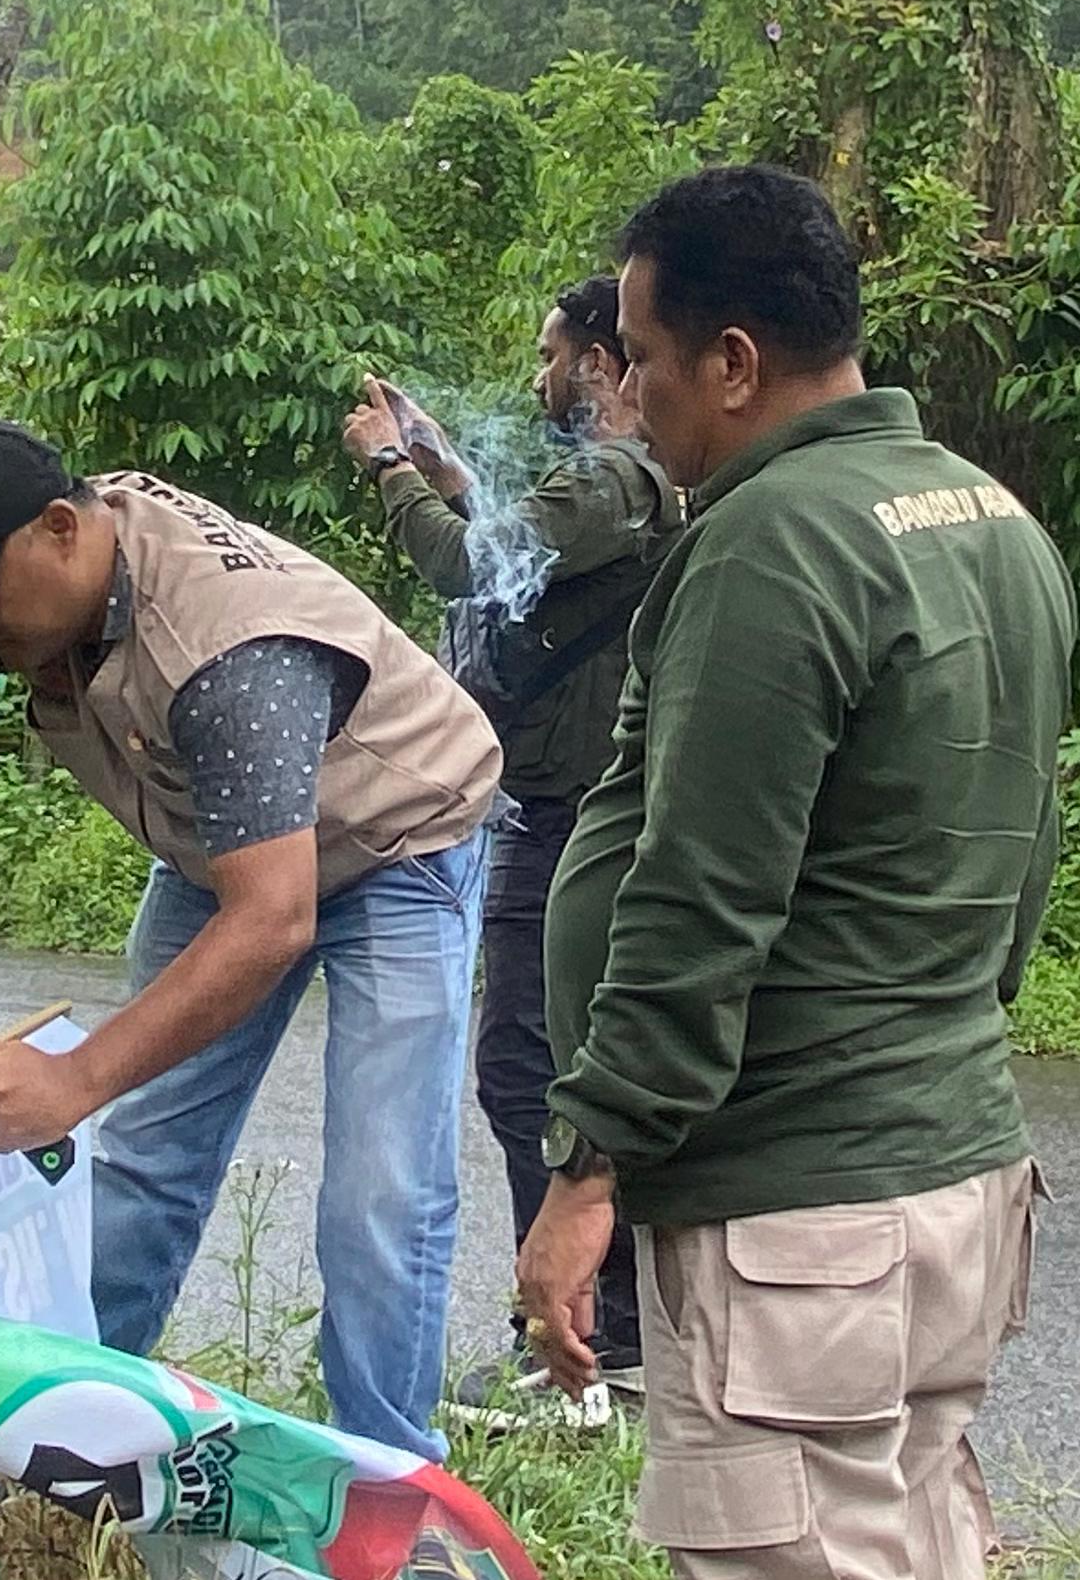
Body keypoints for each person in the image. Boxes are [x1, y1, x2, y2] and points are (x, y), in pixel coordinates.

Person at [515, 165, 1076, 1580]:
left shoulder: (772, 543)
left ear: (734, 362)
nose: (630, 399)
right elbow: (1021, 863)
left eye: (643, 359)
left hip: (797, 1218)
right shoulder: (988, 517)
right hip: (952, 1181)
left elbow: (699, 896)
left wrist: (588, 1167)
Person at [0, 422, 503, 1459]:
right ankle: (66, 1434)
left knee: (380, 1193)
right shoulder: (28, 584)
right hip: (224, 847)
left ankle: (386, 1475)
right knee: (148, 1158)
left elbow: (272, 921)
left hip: (396, 838)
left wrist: (74, 1079)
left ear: (61, 530)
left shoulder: (231, 650)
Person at [343, 278, 680, 1419]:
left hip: (556, 808)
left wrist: (391, 471)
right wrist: (447, 475)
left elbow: (469, 567)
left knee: (526, 1062)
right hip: (566, 799)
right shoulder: (625, 485)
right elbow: (521, 557)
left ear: (599, 364)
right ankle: (609, 1326)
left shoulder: (609, 478)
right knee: (556, 1052)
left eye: (552, 356)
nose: (540, 378)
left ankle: (582, 1337)